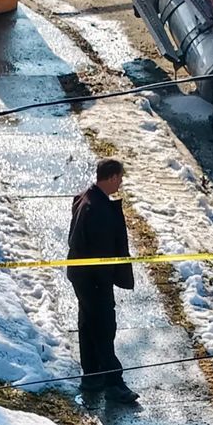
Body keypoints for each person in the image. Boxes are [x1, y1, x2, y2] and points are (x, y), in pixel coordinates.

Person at [68, 158, 139, 404]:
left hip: (83, 277)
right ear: (110, 178)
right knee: (104, 328)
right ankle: (114, 384)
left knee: (88, 325)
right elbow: (100, 252)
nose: (121, 182)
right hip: (94, 280)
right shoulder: (97, 210)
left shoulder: (85, 199)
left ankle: (92, 376)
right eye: (119, 177)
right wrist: (105, 280)